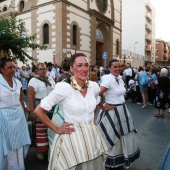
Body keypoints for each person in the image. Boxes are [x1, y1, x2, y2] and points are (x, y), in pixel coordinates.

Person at [34, 53, 107, 170]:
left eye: (86, 65)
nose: (84, 69)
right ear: (72, 69)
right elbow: (39, 111)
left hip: (91, 135)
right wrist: (57, 128)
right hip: (72, 137)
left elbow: (96, 102)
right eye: (79, 65)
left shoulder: (94, 86)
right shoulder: (64, 87)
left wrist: (90, 117)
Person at [97, 59, 140, 169]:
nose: (117, 69)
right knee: (111, 135)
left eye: (119, 67)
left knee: (123, 135)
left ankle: (121, 158)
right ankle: (109, 160)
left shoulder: (120, 78)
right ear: (110, 68)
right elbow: (97, 94)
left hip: (123, 110)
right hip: (112, 111)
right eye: (115, 67)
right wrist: (102, 106)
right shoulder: (107, 79)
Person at [0, 57, 31, 170]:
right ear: (2, 69)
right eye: (9, 68)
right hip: (4, 117)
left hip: (18, 116)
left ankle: (19, 166)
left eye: (14, 67)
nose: (13, 69)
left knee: (18, 143)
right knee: (8, 145)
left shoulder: (17, 82)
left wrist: (25, 109)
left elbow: (21, 99)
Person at [28, 63, 55, 160]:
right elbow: (30, 97)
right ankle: (40, 150)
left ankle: (49, 149)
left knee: (51, 128)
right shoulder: (33, 81)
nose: (42, 71)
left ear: (47, 69)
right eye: (40, 69)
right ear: (37, 71)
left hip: (51, 107)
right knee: (41, 130)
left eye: (44, 69)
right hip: (40, 106)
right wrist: (32, 111)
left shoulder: (50, 79)